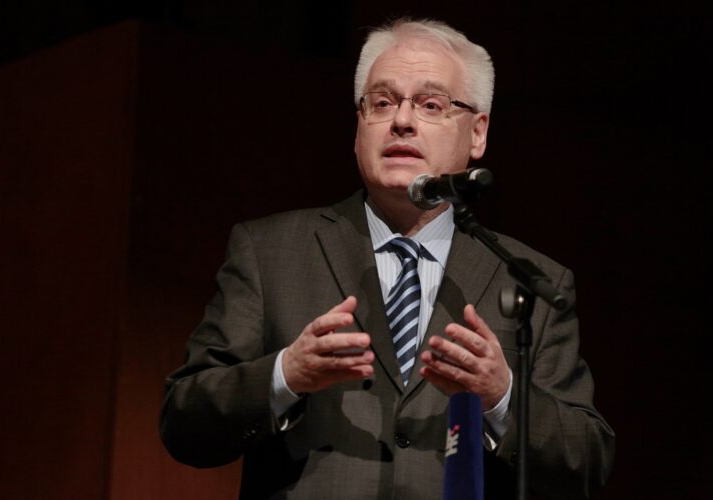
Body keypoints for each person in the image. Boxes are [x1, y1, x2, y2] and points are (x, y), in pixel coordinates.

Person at [160, 18, 615, 499]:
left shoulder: (531, 279)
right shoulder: (269, 251)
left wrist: (502, 397)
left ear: (477, 133)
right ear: (359, 126)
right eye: (382, 102)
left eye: (431, 105)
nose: (401, 121)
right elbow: (182, 423)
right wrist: (284, 375)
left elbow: (587, 461)